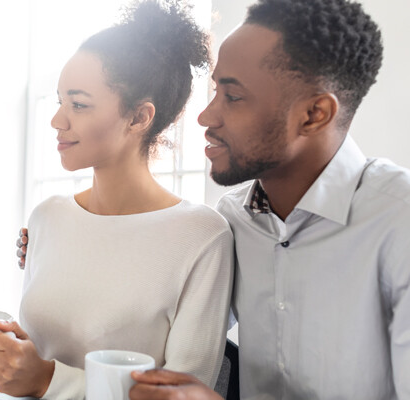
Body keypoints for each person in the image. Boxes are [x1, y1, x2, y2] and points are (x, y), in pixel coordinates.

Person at [0, 1, 234, 398]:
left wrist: (47, 379)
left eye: (78, 104)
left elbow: (184, 395)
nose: (58, 120)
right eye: (61, 100)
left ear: (139, 117)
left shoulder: (201, 237)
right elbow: (40, 355)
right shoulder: (47, 217)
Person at [124, 0, 410, 398]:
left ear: (314, 114)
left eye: (234, 97)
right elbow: (153, 327)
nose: (206, 117)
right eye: (215, 92)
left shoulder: (400, 222)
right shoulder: (232, 221)